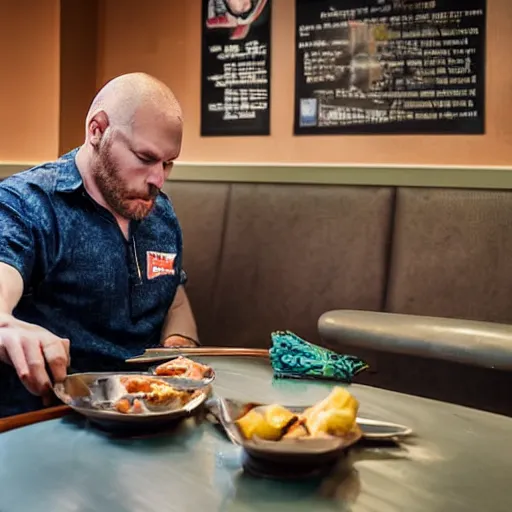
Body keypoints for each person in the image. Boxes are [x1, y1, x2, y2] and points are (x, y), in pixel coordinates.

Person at [0, 72, 198, 418]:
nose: (158, 179)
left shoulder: (160, 212)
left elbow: (173, 299)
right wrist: (4, 324)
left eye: (168, 163)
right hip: (52, 420)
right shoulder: (27, 203)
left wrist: (179, 349)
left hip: (151, 417)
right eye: (145, 157)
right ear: (97, 130)